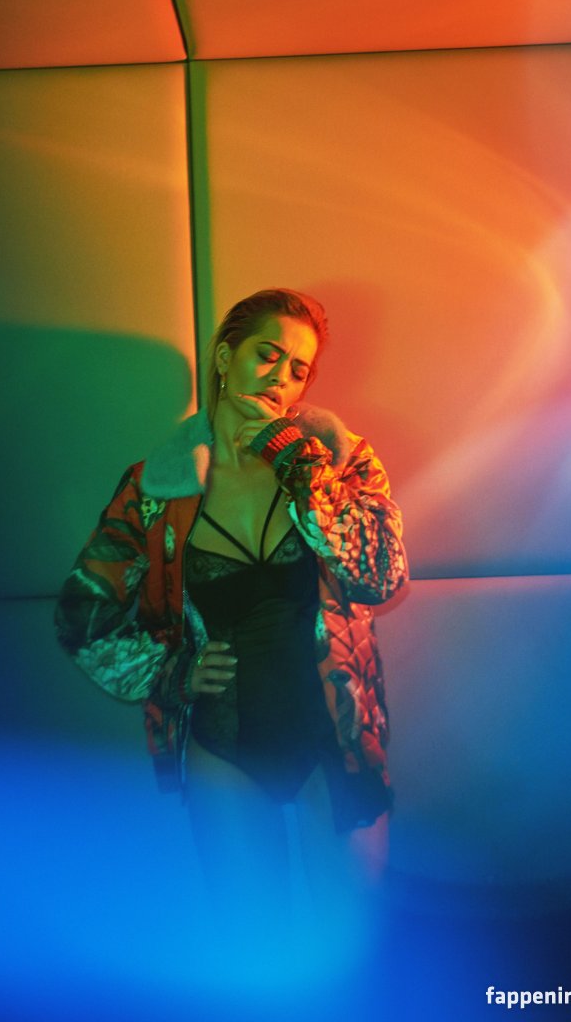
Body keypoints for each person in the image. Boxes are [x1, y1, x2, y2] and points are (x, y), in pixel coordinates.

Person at [55, 288, 407, 941]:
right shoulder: (155, 488)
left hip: (336, 733)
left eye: (298, 369)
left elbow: (381, 575)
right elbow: (82, 612)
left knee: (356, 941)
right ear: (224, 356)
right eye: (266, 355)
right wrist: (170, 671)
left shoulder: (338, 458)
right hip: (226, 742)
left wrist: (296, 460)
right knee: (253, 944)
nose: (280, 378)